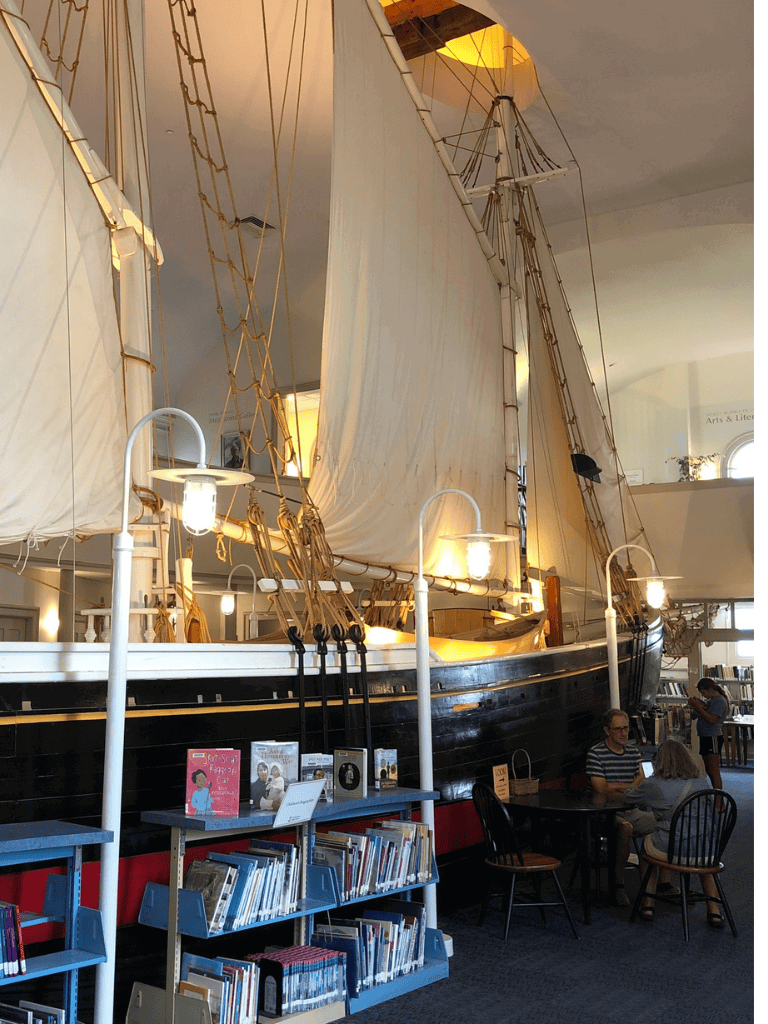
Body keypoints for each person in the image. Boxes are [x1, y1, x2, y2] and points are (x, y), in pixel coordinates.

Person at [625, 738, 723, 927]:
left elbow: (629, 797)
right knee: (701, 853)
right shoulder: (702, 782)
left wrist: (638, 779)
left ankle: (648, 903)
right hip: (708, 849)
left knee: (647, 846)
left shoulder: (653, 784)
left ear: (659, 760)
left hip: (674, 849)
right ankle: (714, 910)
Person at [586, 708, 656, 905]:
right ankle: (618, 884)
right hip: (603, 813)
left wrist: (615, 786)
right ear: (607, 731)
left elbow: (643, 782)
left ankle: (654, 882)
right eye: (618, 729)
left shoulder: (633, 752)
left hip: (632, 809)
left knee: (662, 821)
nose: (624, 733)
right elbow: (601, 790)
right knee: (624, 828)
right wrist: (630, 787)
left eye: (626, 728)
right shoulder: (596, 753)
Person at [688, 677, 729, 792]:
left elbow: (712, 719)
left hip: (713, 737)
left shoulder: (720, 701)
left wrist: (697, 707)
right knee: (709, 771)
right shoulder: (710, 700)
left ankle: (720, 801)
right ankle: (717, 796)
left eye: (704, 692)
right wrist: (698, 705)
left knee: (714, 771)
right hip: (705, 736)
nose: (703, 695)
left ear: (711, 689)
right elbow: (695, 716)